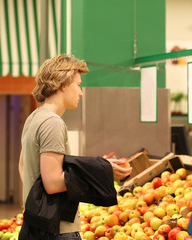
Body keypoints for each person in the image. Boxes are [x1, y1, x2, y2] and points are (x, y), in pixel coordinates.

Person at [18, 54, 132, 240]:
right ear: (63, 84)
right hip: (56, 231)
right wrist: (99, 170)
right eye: (78, 85)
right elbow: (53, 183)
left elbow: (23, 166)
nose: (80, 92)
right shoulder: (52, 122)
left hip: (36, 225)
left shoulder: (35, 117)